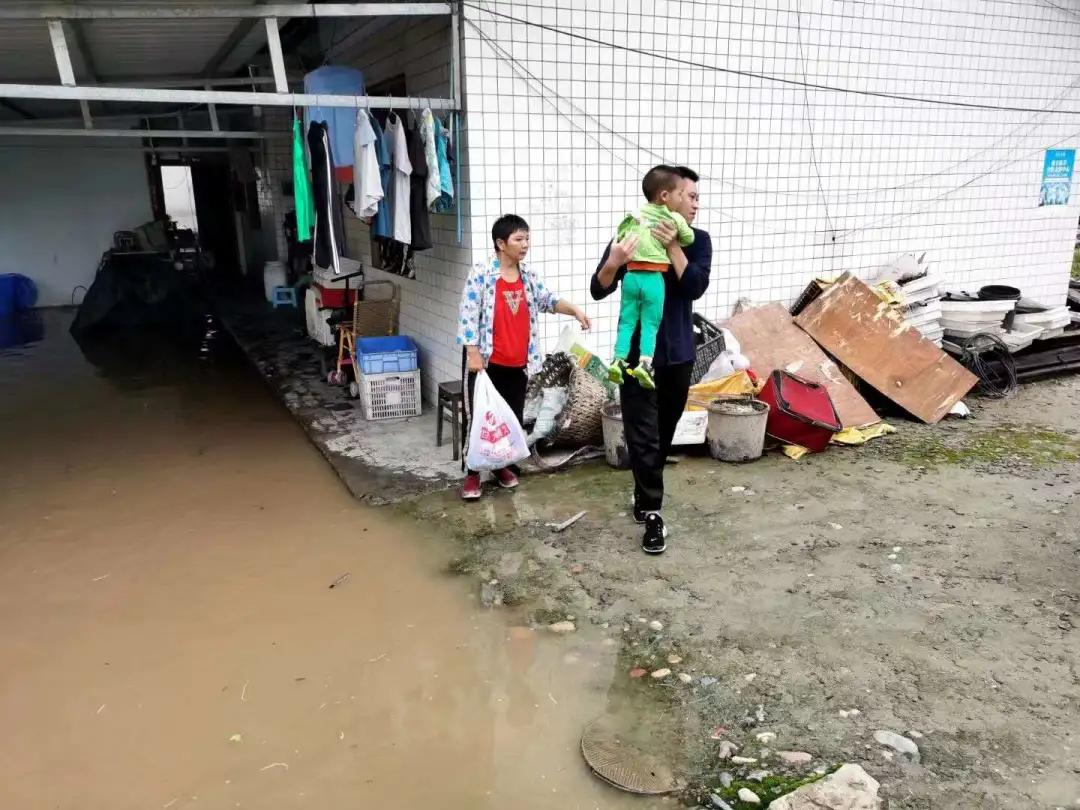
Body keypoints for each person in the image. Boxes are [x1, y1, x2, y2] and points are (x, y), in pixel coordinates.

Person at [590, 166, 712, 554]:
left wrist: (674, 246)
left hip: (678, 356)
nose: (696, 204)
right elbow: (598, 288)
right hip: (635, 358)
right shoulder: (633, 230)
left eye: (697, 198)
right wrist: (614, 261)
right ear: (667, 197)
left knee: (662, 433)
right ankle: (653, 514)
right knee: (642, 435)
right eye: (690, 196)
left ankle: (644, 493)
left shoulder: (698, 241)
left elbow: (694, 286)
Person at [457, 214, 591, 501]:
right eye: (519, 239)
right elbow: (467, 314)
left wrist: (575, 311)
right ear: (500, 243)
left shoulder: (527, 276)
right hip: (486, 363)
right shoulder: (482, 273)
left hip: (517, 363)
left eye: (527, 238)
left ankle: (501, 466)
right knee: (479, 419)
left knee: (511, 418)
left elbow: (548, 300)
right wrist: (472, 352)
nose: (525, 244)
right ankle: (472, 473)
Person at [608, 166, 695, 391]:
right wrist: (676, 238)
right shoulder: (672, 217)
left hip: (631, 277)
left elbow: (621, 235)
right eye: (682, 194)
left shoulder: (634, 215)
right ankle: (645, 364)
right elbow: (689, 238)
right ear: (665, 196)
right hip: (653, 278)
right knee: (649, 324)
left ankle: (618, 360)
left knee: (627, 322)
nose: (685, 200)